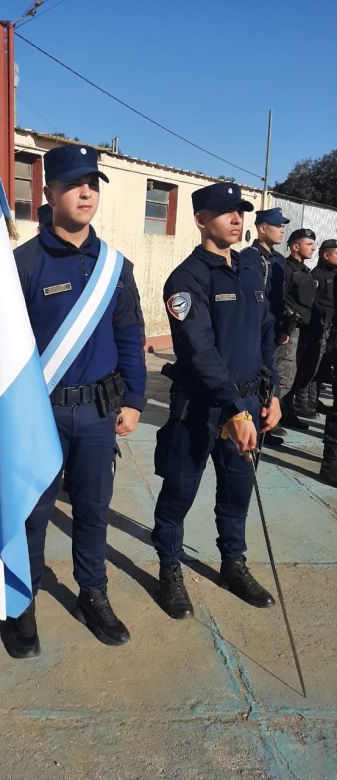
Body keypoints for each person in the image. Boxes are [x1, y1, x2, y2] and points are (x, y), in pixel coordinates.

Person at [0, 145, 146, 656]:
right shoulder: (21, 265)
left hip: (99, 414)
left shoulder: (114, 266)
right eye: (73, 184)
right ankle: (22, 604)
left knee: (92, 510)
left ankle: (93, 594)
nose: (86, 193)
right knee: (32, 514)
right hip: (37, 415)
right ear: (49, 193)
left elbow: (129, 333)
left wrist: (135, 398)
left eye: (93, 183)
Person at [151, 182, 281, 620]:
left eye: (240, 211)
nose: (236, 218)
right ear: (200, 219)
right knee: (179, 491)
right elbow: (199, 352)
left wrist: (272, 392)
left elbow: (265, 333)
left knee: (237, 490)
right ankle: (169, 569)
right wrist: (234, 408)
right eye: (225, 211)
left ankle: (232, 564)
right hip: (202, 407)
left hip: (246, 401)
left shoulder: (249, 269)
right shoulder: (187, 279)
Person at [240, 207, 290, 444]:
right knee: (260, 373)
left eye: (283, 226)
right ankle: (261, 422)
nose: (282, 230)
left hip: (275, 327)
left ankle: (269, 416)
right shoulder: (250, 257)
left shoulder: (278, 260)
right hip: (259, 329)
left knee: (272, 372)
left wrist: (284, 327)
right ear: (262, 228)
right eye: (278, 226)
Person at [275, 228, 317, 429]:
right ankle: (266, 420)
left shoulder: (305, 271)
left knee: (296, 376)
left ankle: (285, 412)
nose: (313, 248)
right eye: (309, 244)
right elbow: (280, 300)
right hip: (289, 332)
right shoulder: (285, 269)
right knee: (283, 377)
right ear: (295, 247)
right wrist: (287, 327)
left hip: (305, 332)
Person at [292, 239, 337, 417]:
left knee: (323, 367)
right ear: (326, 255)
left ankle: (313, 399)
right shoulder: (317, 276)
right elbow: (313, 303)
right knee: (311, 365)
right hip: (320, 326)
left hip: (331, 327)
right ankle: (302, 402)